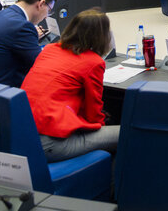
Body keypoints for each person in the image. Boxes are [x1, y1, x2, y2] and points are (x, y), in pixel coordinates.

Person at [22, 10, 120, 162]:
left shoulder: (49, 49)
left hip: (23, 135)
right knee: (126, 134)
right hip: (50, 143)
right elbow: (94, 113)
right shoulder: (93, 62)